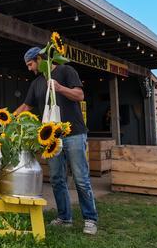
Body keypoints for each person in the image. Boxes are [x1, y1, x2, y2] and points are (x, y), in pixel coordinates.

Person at [14, 46, 98, 235]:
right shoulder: (36, 83)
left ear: (40, 58)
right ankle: (64, 217)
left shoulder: (66, 71)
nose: (29, 68)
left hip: (74, 133)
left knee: (81, 178)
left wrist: (59, 88)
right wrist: (11, 119)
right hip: (52, 138)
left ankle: (90, 219)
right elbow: (27, 106)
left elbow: (80, 95)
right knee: (57, 178)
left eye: (30, 64)